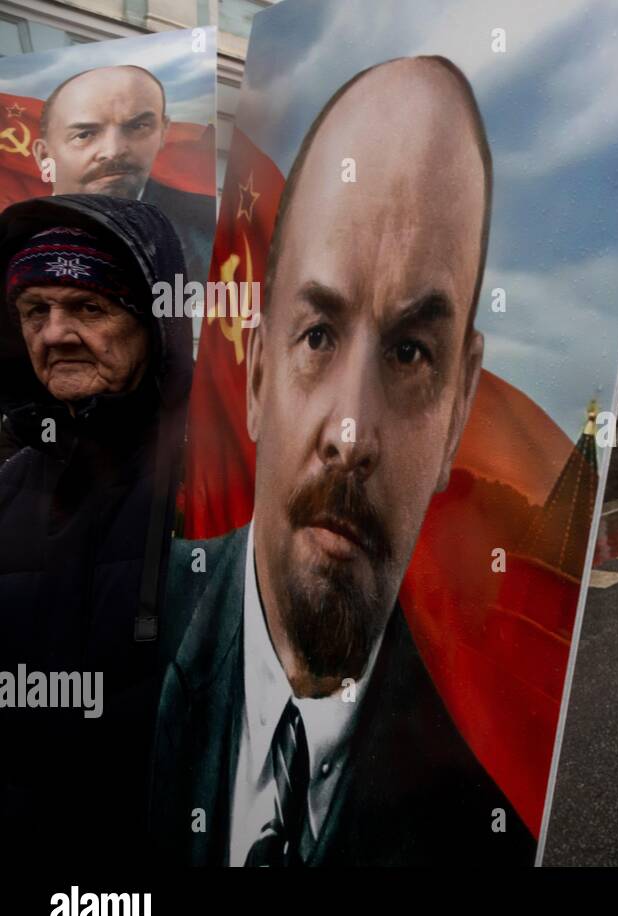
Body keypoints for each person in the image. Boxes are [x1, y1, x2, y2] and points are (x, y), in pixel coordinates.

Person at [149, 56, 533, 866]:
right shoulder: (118, 632)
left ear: (460, 407)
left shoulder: (487, 836)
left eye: (409, 352)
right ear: (256, 375)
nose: (352, 433)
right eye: (318, 335)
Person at [0, 193, 191, 862]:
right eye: (34, 311)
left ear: (156, 323)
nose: (54, 334)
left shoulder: (214, 480)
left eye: (88, 307)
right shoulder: (8, 486)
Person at [33, 65, 213, 283]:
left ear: (163, 131)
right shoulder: (15, 235)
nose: (114, 151)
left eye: (138, 126)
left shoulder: (206, 230)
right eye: (84, 134)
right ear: (44, 156)